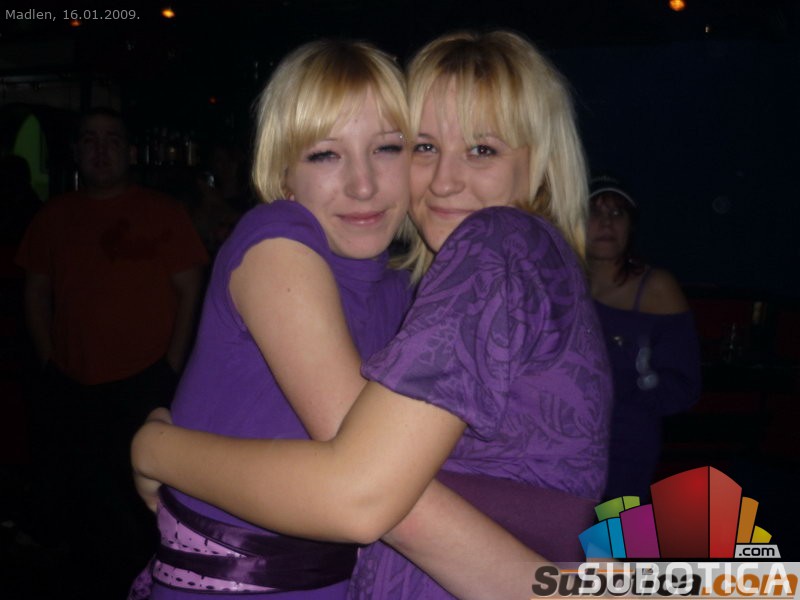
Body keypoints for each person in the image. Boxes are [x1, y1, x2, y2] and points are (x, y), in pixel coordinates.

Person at [132, 30, 613, 599]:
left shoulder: (494, 246)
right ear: (281, 172)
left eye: (482, 149)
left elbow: (358, 493)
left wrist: (156, 448)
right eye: (425, 146)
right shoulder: (398, 278)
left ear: (542, 162)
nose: (444, 180)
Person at [15, 107, 208, 594]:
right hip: (72, 381)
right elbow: (35, 290)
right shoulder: (53, 215)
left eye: (112, 140)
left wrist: (171, 365)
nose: (101, 150)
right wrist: (47, 357)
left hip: (144, 379)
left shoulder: (162, 212)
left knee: (141, 507)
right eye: (90, 140)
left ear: (130, 151)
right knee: (81, 504)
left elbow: (191, 289)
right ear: (76, 151)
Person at [585, 175, 701, 500]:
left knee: (616, 530)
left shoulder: (656, 287)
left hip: (625, 446)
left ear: (630, 226)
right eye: (594, 212)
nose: (606, 222)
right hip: (561, 444)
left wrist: (621, 395)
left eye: (617, 213)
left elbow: (684, 385)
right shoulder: (561, 281)